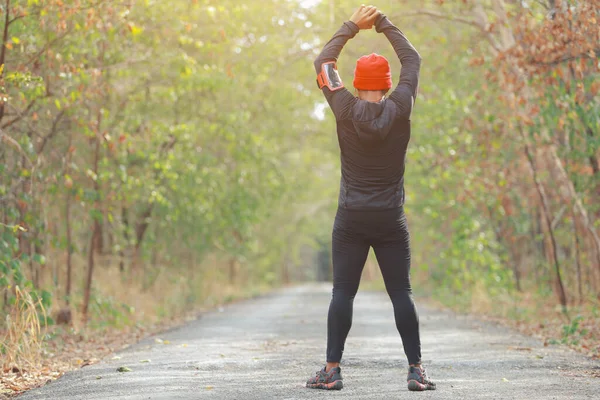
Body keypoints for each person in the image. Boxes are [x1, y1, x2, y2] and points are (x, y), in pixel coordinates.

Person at [305, 5, 436, 392]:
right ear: (389, 81)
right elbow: (413, 58)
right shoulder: (402, 107)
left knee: (343, 291)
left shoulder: (343, 106)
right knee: (401, 292)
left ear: (357, 81)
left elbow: (322, 61)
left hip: (351, 216)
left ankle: (332, 371)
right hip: (390, 218)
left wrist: (352, 27)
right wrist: (384, 25)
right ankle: (415, 370)